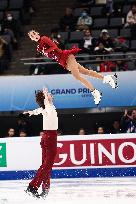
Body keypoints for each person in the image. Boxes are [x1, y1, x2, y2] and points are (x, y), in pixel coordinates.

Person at [28, 30, 118, 105]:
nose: (33, 36)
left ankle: (95, 92)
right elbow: (51, 54)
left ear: (37, 33)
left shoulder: (44, 38)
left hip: (66, 56)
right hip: (62, 62)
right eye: (31, 36)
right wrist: (44, 51)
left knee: (77, 76)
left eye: (34, 34)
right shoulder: (39, 47)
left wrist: (46, 50)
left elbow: (54, 46)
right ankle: (107, 78)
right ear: (31, 39)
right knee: (85, 71)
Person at [23, 87, 58, 199]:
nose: (51, 95)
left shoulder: (45, 108)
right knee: (47, 165)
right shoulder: (48, 106)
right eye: (49, 94)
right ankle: (33, 187)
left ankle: (45, 189)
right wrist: (44, 92)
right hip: (50, 137)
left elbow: (37, 110)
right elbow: (44, 103)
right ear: (45, 99)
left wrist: (30, 113)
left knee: (46, 165)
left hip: (46, 137)